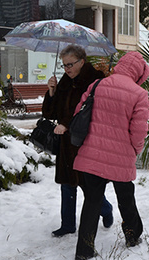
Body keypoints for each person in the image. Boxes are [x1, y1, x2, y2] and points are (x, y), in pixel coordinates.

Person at [74, 51, 149, 260]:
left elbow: (79, 112)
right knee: (126, 197)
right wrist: (135, 150)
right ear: (139, 73)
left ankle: (84, 251)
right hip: (121, 156)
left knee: (92, 202)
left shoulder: (97, 85)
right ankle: (133, 237)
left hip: (91, 153)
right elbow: (139, 130)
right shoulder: (139, 94)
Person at [42, 45, 113, 237]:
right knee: (67, 184)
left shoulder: (96, 80)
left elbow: (91, 113)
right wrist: (51, 92)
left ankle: (106, 210)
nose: (67, 69)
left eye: (70, 64)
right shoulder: (65, 82)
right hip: (66, 144)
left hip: (86, 143)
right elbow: (50, 113)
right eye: (64, 65)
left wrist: (66, 124)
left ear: (82, 61)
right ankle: (67, 224)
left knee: (87, 185)